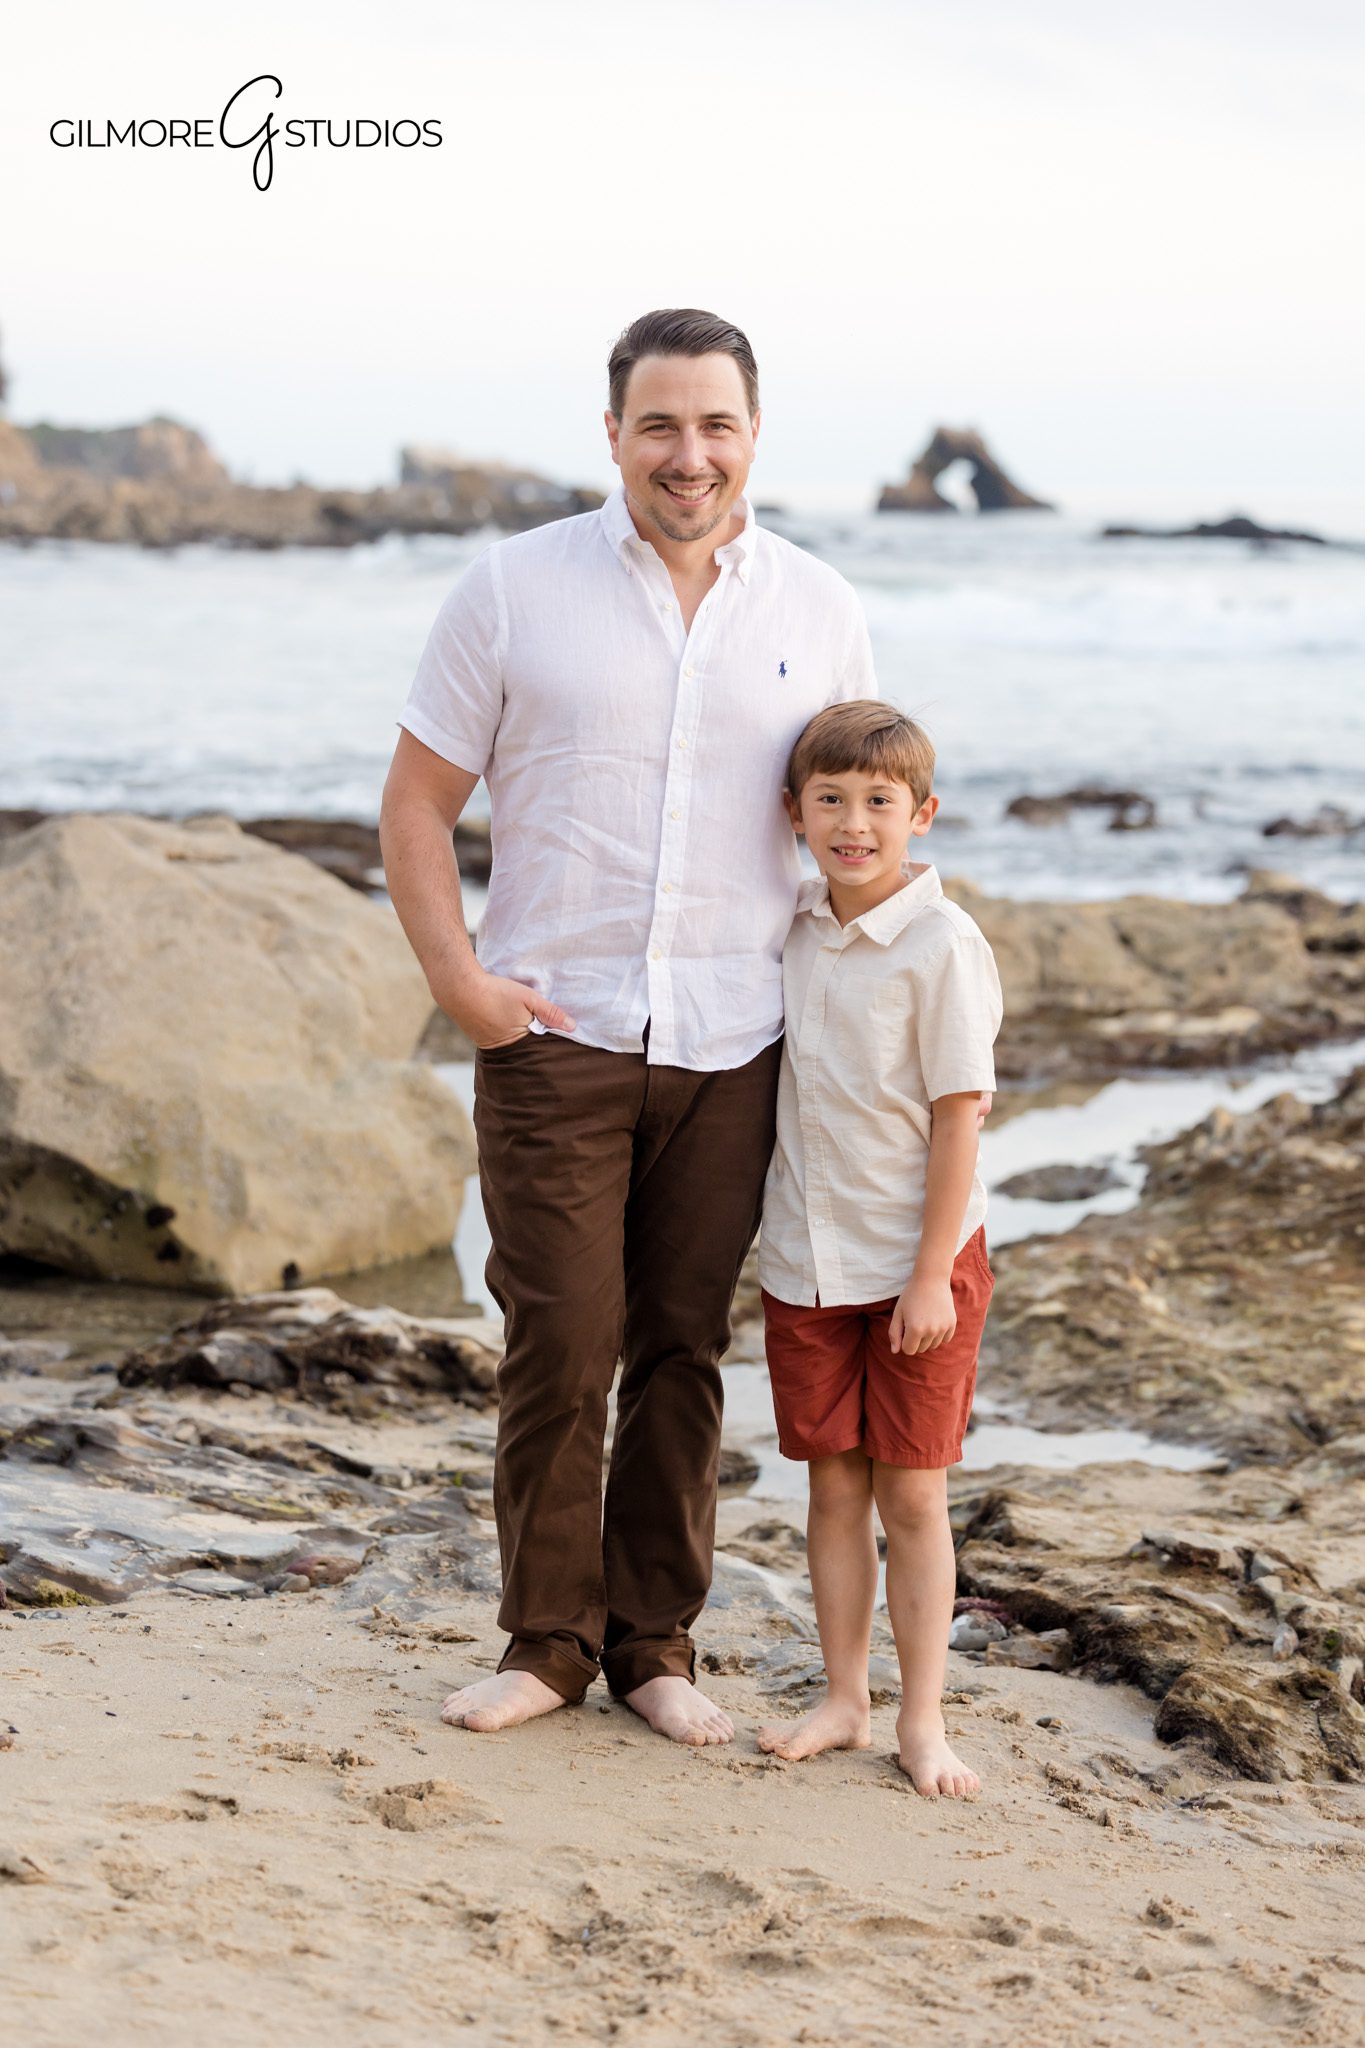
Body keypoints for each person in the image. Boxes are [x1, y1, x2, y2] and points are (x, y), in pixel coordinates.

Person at [378, 309, 877, 1745]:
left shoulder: (818, 609)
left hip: (738, 1034)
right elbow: (417, 805)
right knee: (561, 1337)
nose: (688, 453)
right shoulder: (513, 590)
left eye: (715, 424)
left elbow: (854, 825)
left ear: (753, 436)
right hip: (555, 1031)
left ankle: (655, 1641)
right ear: (613, 436)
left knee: (680, 1347)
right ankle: (546, 1643)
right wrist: (459, 981)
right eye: (659, 424)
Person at [755, 700, 1002, 1795]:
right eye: (831, 800)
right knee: (832, 1490)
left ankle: (924, 1717)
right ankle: (846, 1697)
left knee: (913, 1497)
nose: (855, 822)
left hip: (918, 1270)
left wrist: (929, 1275)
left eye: (879, 802)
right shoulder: (796, 924)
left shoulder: (942, 944)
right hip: (808, 1260)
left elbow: (960, 1115)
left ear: (923, 813)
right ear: (794, 813)